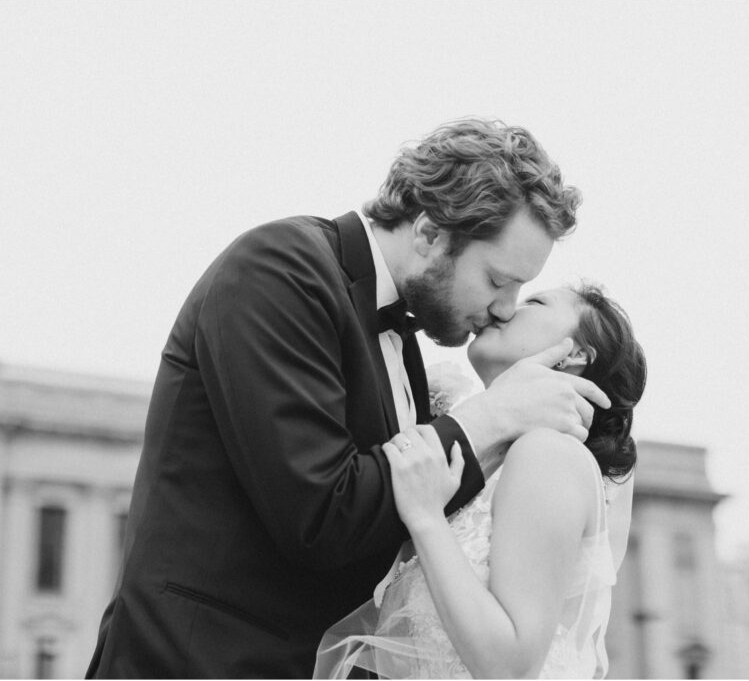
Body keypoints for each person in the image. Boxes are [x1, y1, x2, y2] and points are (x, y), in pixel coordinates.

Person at [85, 118, 610, 678]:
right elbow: (319, 516)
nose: (506, 307)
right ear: (431, 233)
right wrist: (493, 415)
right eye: (498, 281)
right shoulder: (280, 268)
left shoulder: (403, 345)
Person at [314, 284, 646, 679]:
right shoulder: (490, 467)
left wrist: (426, 518)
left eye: (534, 302)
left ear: (575, 354)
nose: (504, 310)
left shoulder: (549, 452)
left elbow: (511, 666)